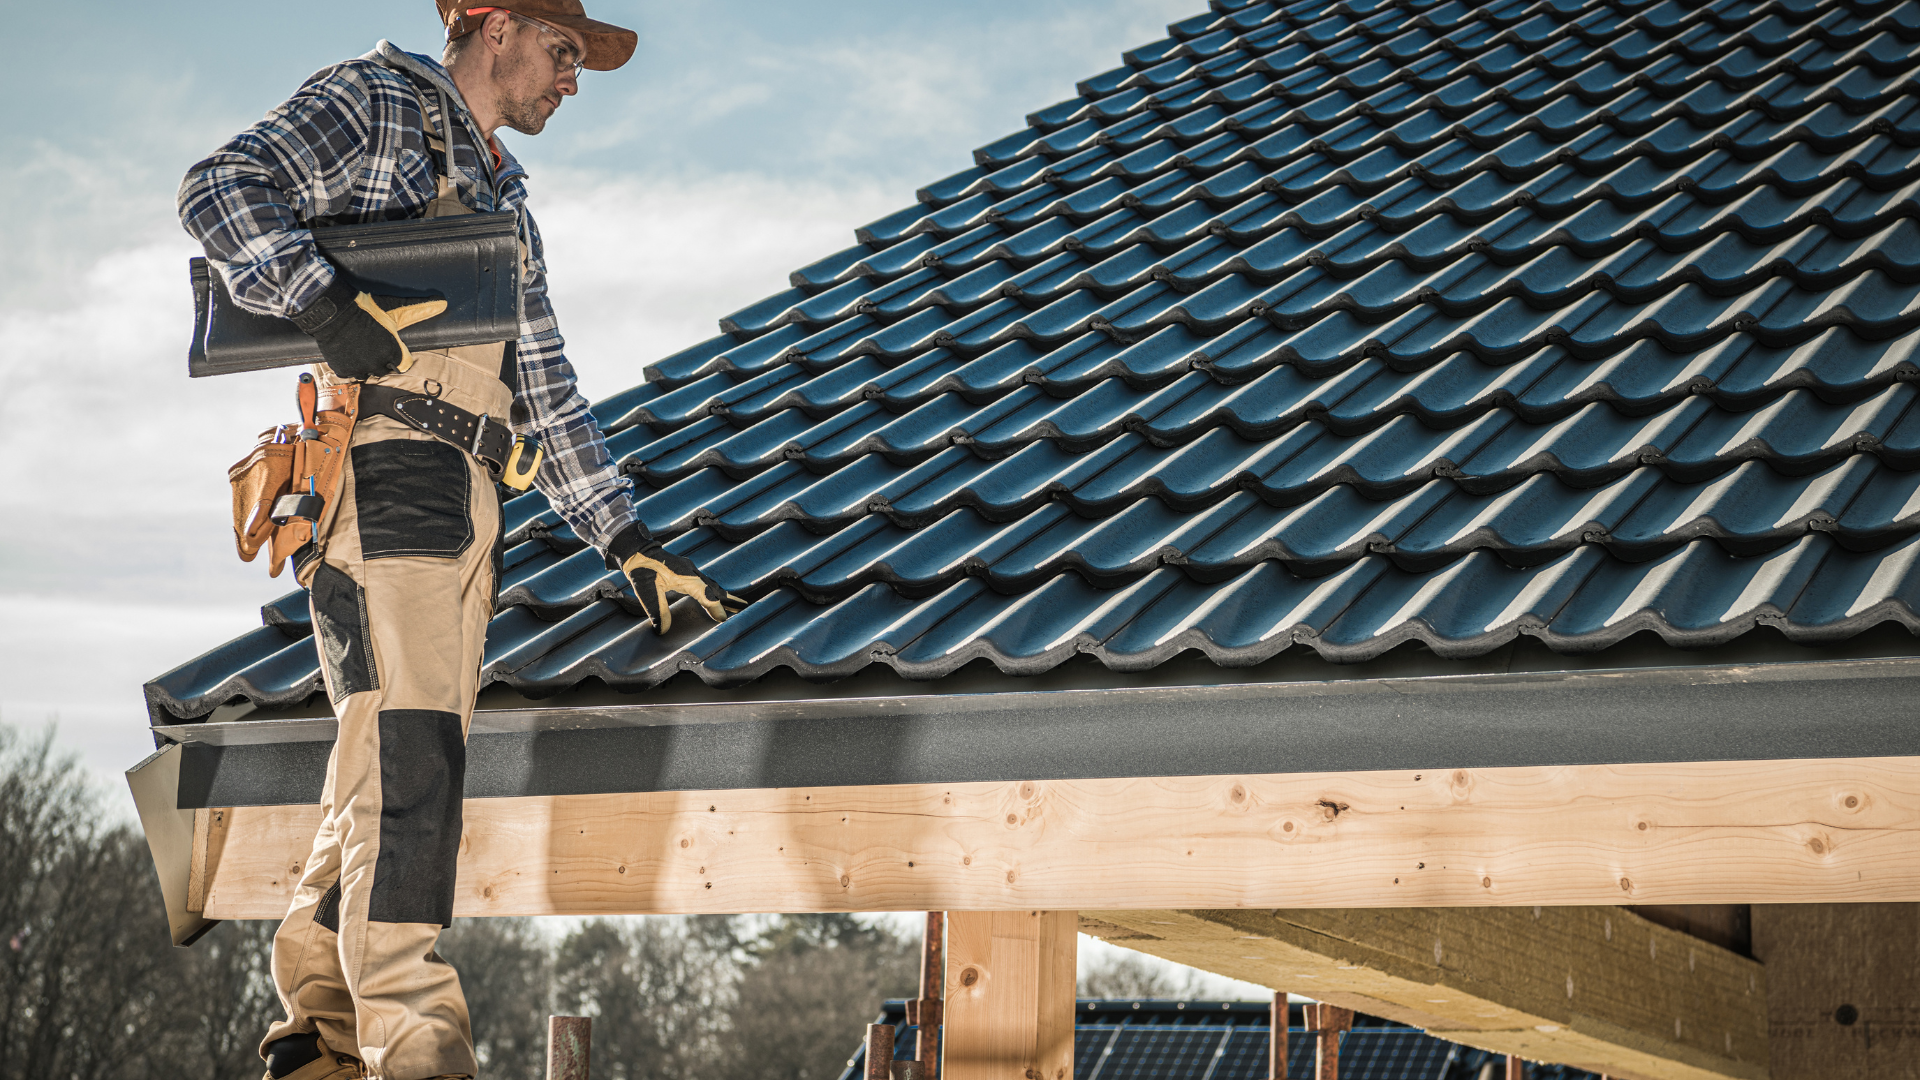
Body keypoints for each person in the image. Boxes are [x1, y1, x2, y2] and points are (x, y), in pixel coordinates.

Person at [178, 5, 742, 1078]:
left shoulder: (505, 202)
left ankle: (324, 1031)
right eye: (565, 51)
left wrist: (625, 538)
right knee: (413, 758)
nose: (574, 81)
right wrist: (326, 305)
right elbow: (218, 189)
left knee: (376, 766)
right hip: (392, 479)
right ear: (491, 24)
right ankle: (416, 1042)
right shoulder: (383, 103)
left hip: (466, 493)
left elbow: (546, 389)